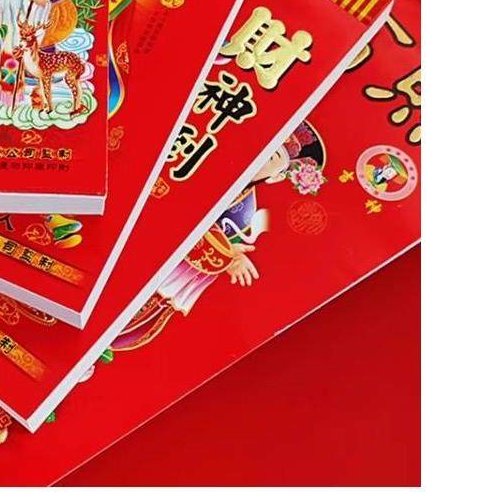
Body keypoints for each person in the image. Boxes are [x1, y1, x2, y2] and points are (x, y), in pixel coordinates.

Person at [112, 121, 326, 351]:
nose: (261, 156)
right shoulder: (209, 158)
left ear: (276, 176)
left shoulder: (243, 211)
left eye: (272, 157)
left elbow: (204, 234)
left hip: (159, 261)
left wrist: (228, 255)